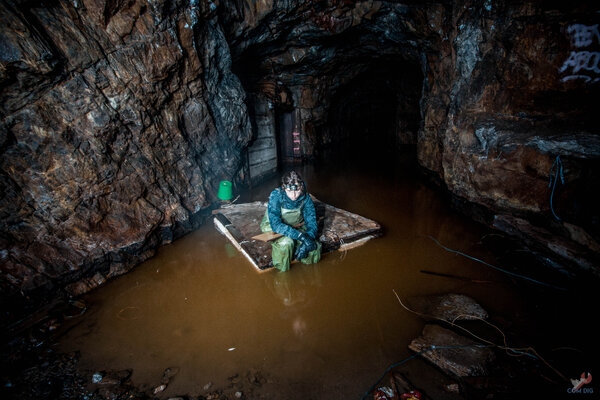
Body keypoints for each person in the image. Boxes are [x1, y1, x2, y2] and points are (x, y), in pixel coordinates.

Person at [260, 171, 321, 271]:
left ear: (301, 187)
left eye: (297, 191)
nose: (294, 196)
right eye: (289, 191)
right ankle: (282, 274)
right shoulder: (276, 195)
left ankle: (310, 274)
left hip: (296, 224)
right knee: (287, 243)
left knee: (314, 246)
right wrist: (300, 236)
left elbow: (312, 223)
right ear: (284, 188)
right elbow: (276, 225)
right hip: (274, 225)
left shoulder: (305, 197)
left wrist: (306, 242)